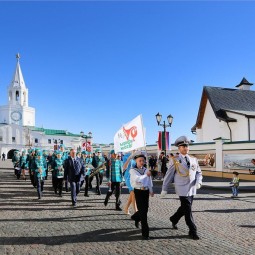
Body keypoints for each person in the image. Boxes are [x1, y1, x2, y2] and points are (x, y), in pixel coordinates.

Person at [161, 136, 203, 240]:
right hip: (182, 188)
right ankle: (193, 231)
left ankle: (174, 219)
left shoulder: (194, 159)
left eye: (187, 146)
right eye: (183, 146)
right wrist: (164, 188)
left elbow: (198, 173)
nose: (185, 148)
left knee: (184, 208)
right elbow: (168, 175)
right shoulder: (174, 160)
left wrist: (199, 182)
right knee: (188, 210)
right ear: (179, 148)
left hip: (192, 188)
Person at [130, 153, 154, 240]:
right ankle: (145, 233)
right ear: (136, 161)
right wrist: (146, 175)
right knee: (143, 213)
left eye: (143, 160)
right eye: (140, 160)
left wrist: (151, 190)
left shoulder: (146, 169)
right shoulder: (133, 170)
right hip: (138, 191)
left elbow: (149, 181)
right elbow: (137, 179)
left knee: (145, 209)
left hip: (146, 191)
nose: (142, 162)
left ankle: (136, 217)